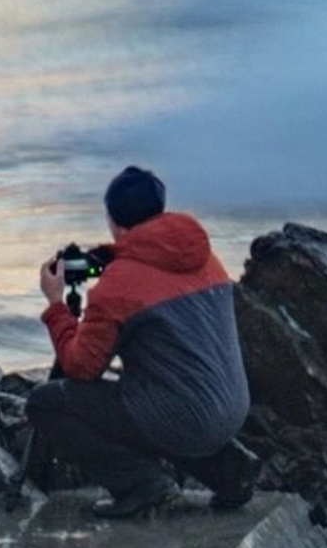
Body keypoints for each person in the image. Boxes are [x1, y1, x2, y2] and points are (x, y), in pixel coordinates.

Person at [29, 165, 256, 518]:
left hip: (183, 418)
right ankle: (230, 470)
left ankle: (142, 485)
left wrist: (57, 305)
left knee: (45, 404)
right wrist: (104, 259)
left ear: (114, 220)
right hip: (232, 408)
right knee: (159, 391)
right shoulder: (206, 258)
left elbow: (80, 368)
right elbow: (147, 263)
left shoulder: (118, 286)